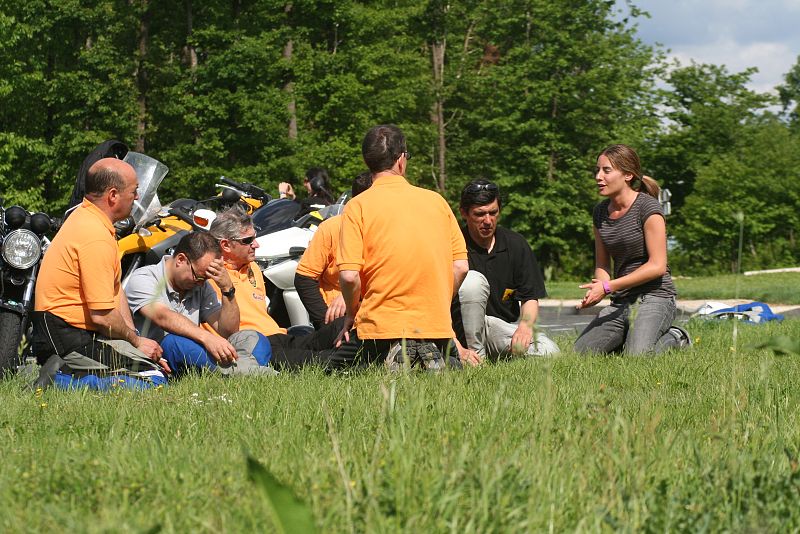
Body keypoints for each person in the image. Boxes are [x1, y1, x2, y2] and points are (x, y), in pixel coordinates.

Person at [331, 124, 473, 370]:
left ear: (368, 162)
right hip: (436, 325)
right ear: (400, 160)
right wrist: (437, 301)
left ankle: (399, 351)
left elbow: (349, 275)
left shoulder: (358, 206)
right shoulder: (436, 202)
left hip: (380, 327)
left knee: (333, 369)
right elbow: (460, 267)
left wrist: (351, 314)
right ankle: (430, 352)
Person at [32, 157, 167, 390]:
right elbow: (103, 316)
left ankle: (62, 372)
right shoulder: (95, 235)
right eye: (134, 191)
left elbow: (115, 293)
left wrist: (135, 342)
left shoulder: (88, 218)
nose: (136, 198)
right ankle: (59, 381)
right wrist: (136, 341)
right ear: (113, 195)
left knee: (148, 366)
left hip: (70, 332)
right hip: (66, 337)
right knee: (151, 380)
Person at [574, 144, 686, 355]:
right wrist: (597, 289)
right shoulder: (600, 212)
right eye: (597, 170)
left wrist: (608, 286)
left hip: (655, 297)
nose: (598, 176)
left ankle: (676, 337)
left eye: (606, 170)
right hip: (621, 302)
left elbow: (657, 266)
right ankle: (626, 337)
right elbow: (602, 263)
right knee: (580, 355)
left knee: (636, 356)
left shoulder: (648, 208)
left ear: (627, 175)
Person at [207, 207, 344, 369]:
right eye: (247, 240)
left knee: (344, 323)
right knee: (321, 360)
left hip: (280, 336)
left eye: (254, 238)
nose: (256, 245)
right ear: (226, 245)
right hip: (254, 344)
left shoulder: (253, 268)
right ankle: (355, 360)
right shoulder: (212, 275)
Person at [125, 232, 273, 376]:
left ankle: (237, 373)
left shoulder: (202, 285)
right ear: (181, 260)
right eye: (199, 277)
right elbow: (163, 316)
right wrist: (207, 338)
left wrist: (227, 289)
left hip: (196, 354)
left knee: (254, 338)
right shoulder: (144, 277)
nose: (202, 283)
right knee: (172, 342)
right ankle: (251, 373)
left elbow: (228, 331)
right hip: (163, 357)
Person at [453, 179, 560, 360]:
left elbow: (530, 298)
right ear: (464, 213)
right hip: (458, 330)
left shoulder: (516, 244)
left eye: (493, 213)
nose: (488, 221)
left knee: (549, 351)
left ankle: (492, 354)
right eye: (480, 214)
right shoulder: (453, 245)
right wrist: (454, 343)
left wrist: (525, 328)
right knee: (472, 281)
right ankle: (475, 360)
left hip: (496, 329)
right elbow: (435, 302)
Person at [294, 171, 373, 330]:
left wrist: (352, 297)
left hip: (376, 312)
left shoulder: (389, 229)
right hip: (337, 316)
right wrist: (326, 325)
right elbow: (304, 279)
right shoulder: (332, 228)